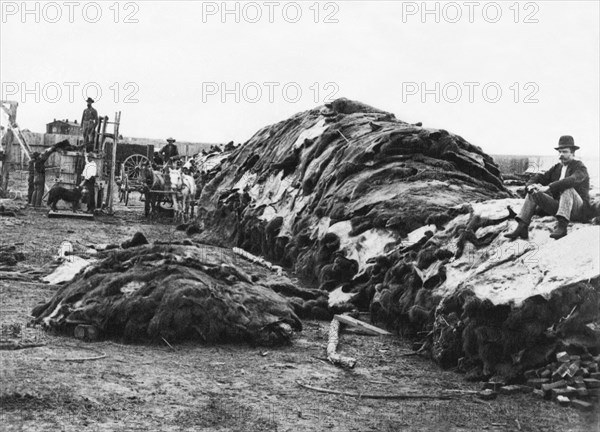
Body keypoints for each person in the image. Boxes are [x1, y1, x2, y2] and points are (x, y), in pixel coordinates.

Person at [504, 135, 590, 240]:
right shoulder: (557, 168)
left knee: (567, 188)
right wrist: (530, 186)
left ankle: (562, 227)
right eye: (560, 152)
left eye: (565, 152)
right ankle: (522, 226)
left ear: (573, 153)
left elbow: (571, 180)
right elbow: (540, 177)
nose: (561, 155)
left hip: (578, 210)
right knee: (533, 192)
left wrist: (548, 187)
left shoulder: (580, 167)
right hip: (559, 207)